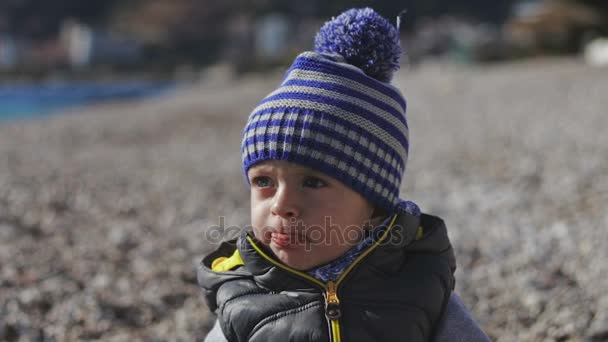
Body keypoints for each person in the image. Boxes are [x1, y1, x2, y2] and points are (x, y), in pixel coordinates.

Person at [198, 8, 490, 342]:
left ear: (374, 207)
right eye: (264, 181)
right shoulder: (242, 302)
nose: (282, 205)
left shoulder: (418, 287)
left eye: (312, 182)